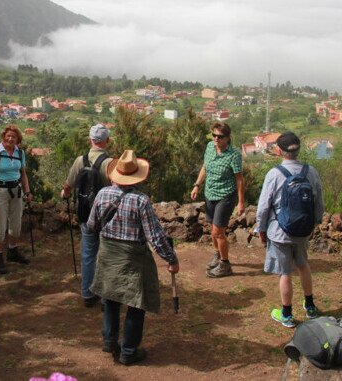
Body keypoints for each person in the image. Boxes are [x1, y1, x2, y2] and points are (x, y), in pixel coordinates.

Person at [87, 149, 179, 366]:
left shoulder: (102, 194)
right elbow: (155, 237)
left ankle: (109, 341)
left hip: (108, 254)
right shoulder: (141, 201)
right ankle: (128, 351)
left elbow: (91, 225)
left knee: (110, 298)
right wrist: (171, 259)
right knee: (136, 303)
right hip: (132, 258)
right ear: (137, 176)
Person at [256, 132, 324, 328]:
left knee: (284, 273)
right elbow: (319, 201)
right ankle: (310, 306)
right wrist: (314, 224)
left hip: (279, 231)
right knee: (303, 265)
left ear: (279, 151)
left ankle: (286, 314)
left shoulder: (274, 174)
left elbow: (263, 206)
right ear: (298, 149)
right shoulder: (311, 171)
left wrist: (261, 228)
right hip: (302, 230)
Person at [60, 124, 112, 307]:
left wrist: (65, 194)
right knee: (107, 254)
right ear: (107, 141)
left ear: (90, 140)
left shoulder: (80, 161)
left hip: (86, 213)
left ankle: (87, 294)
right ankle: (106, 297)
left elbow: (68, 185)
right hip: (106, 215)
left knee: (88, 253)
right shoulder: (110, 163)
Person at [191, 122, 244, 278]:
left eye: (220, 136)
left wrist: (241, 202)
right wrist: (197, 185)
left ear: (227, 138)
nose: (216, 139)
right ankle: (218, 254)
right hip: (210, 194)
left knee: (218, 232)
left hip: (226, 196)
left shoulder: (234, 155)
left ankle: (225, 264)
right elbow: (205, 167)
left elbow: (239, 179)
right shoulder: (209, 147)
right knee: (213, 230)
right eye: (213, 135)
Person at [0, 125, 32, 275]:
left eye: (14, 136)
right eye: (8, 136)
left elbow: (23, 174)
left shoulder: (20, 152)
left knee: (16, 224)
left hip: (17, 192)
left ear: (18, 139)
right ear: (3, 137)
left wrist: (27, 191)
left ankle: (12, 252)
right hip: (0, 193)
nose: (10, 139)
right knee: (0, 226)